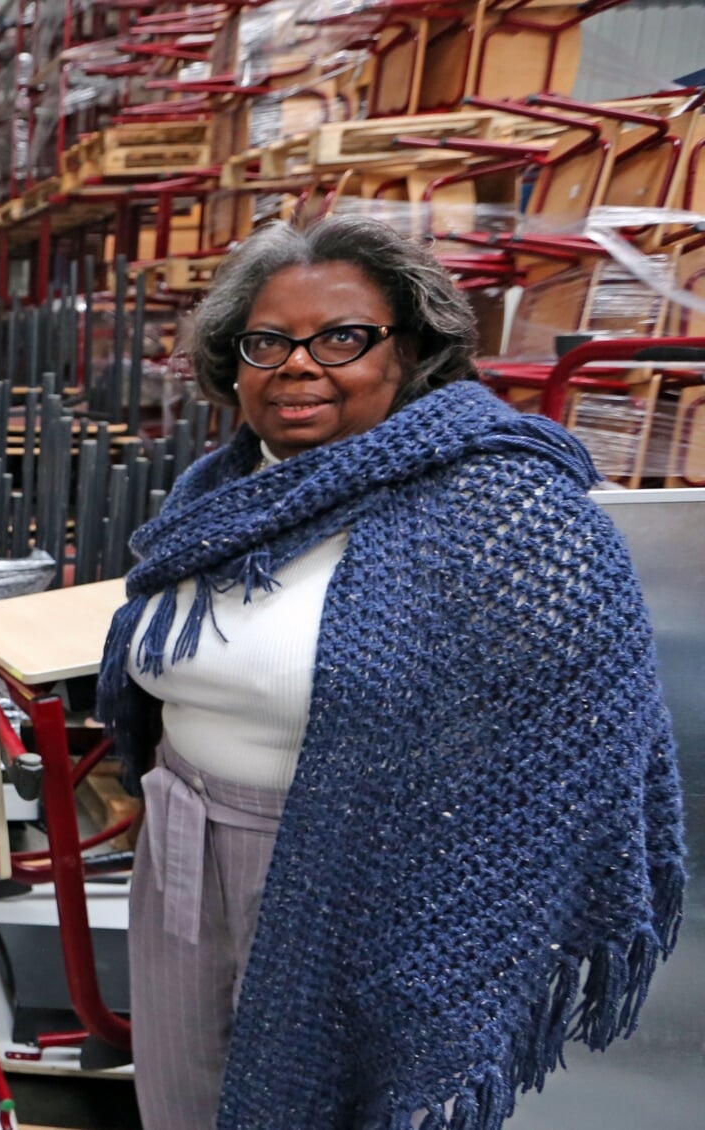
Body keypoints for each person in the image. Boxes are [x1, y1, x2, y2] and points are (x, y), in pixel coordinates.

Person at [93, 215, 686, 1129]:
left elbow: (591, 730)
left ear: (409, 353)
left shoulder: (502, 506)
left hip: (364, 870)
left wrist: (455, 900)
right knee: (179, 1105)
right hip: (180, 841)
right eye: (266, 342)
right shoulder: (223, 490)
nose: (298, 365)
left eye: (341, 338)